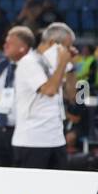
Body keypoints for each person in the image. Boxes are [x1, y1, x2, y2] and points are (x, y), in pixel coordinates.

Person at [11, 21, 75, 169]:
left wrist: (71, 66)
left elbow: (74, 96)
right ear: (53, 43)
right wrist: (62, 64)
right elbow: (50, 90)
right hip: (32, 141)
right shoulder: (29, 62)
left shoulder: (57, 64)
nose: (69, 50)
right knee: (31, 191)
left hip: (57, 140)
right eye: (67, 46)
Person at [0, 25, 34, 166]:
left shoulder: (35, 67)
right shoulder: (2, 66)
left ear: (23, 47)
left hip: (21, 131)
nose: (5, 45)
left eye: (10, 43)